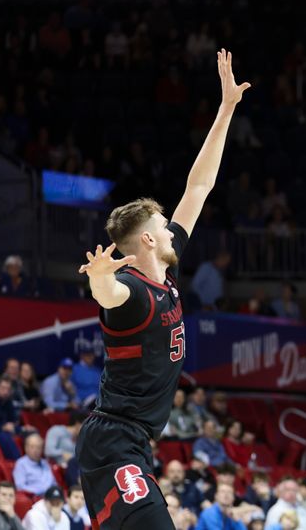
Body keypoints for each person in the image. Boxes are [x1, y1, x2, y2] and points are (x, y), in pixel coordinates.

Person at [75, 52, 249, 529]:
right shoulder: (131, 291)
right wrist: (98, 278)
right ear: (148, 239)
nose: (175, 232)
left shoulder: (165, 276)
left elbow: (199, 186)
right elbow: (107, 295)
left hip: (133, 443)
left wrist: (226, 108)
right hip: (113, 442)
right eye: (164, 229)